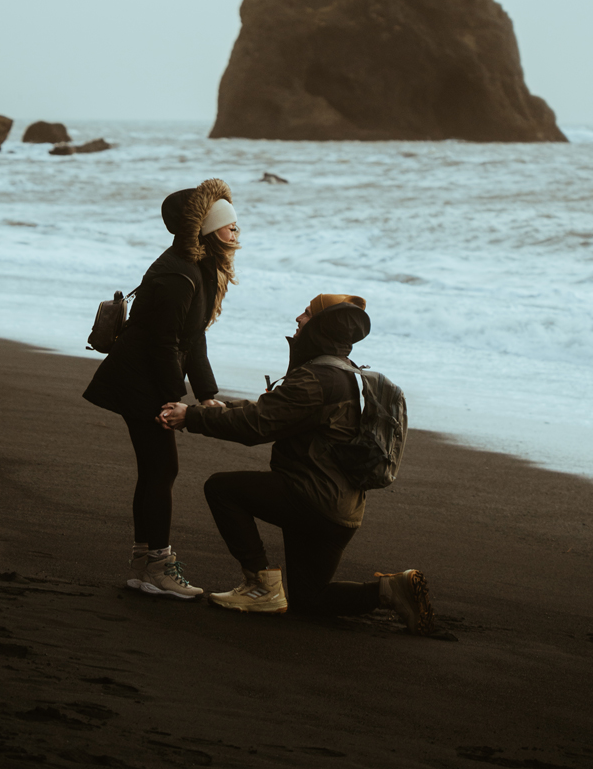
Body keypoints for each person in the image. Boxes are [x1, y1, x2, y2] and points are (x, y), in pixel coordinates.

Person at [158, 294, 435, 634]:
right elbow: (273, 410)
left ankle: (260, 585)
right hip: (341, 514)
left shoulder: (317, 378)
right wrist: (213, 409)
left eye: (306, 314)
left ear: (321, 325)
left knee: (221, 488)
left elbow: (256, 425)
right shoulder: (347, 375)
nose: (298, 319)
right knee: (310, 599)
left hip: (310, 499)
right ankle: (391, 589)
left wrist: (194, 418)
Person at [83, 178, 239, 601]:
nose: (236, 232)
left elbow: (194, 336)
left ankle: (143, 561)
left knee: (157, 470)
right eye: (229, 225)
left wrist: (206, 393)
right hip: (140, 381)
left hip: (148, 378)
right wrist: (176, 399)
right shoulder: (180, 273)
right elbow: (164, 342)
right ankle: (158, 566)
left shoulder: (198, 266)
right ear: (206, 228)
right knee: (161, 470)